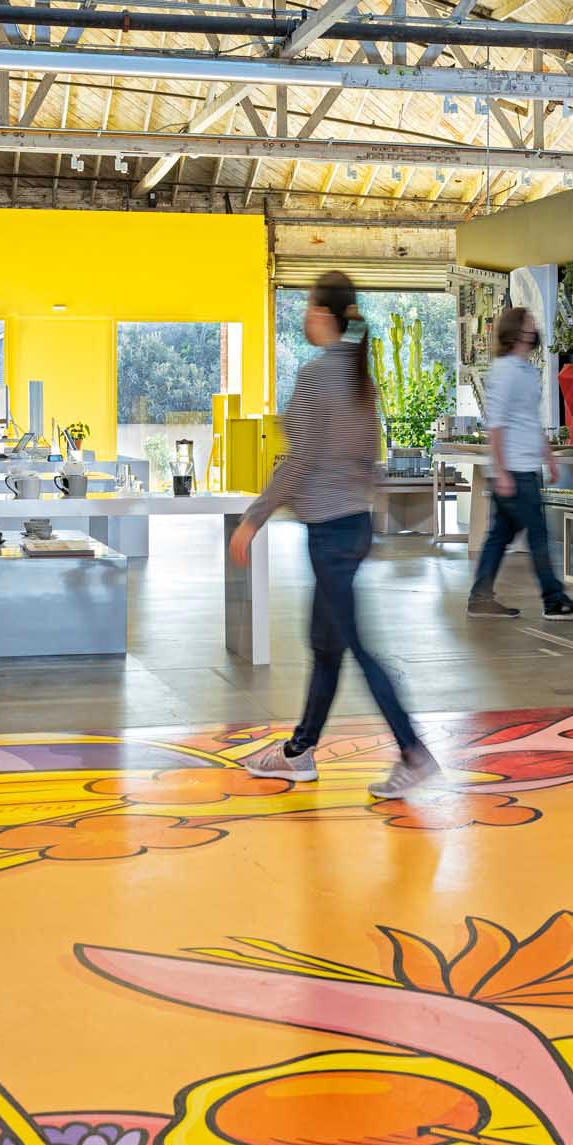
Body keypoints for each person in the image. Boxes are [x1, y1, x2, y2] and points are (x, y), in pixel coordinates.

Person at [228, 270, 440, 796]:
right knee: (326, 645)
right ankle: (299, 751)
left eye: (306, 306)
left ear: (323, 314)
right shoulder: (360, 376)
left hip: (328, 530)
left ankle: (412, 751)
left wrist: (253, 519)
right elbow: (370, 457)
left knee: (355, 646)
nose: (303, 316)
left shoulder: (317, 376)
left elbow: (299, 463)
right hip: (354, 524)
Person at [467, 305, 573, 621]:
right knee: (537, 534)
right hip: (515, 472)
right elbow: (497, 425)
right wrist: (502, 471)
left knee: (499, 536)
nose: (535, 328)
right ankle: (553, 599)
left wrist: (549, 457)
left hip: (526, 467)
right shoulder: (504, 371)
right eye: (530, 323)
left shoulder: (526, 371)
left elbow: (531, 421)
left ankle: (480, 598)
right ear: (517, 331)